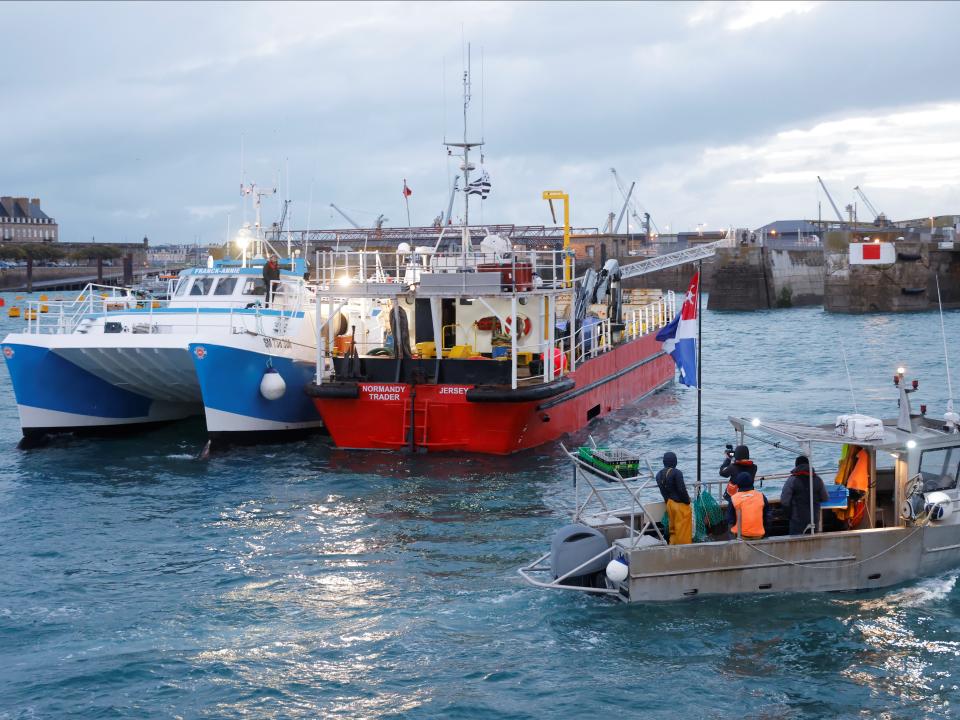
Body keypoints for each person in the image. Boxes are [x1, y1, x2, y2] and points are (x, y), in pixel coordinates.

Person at [781, 455, 829, 535]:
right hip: (814, 519)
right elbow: (825, 498)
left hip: (797, 520)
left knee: (796, 543)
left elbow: (784, 501)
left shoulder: (792, 480)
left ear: (796, 466)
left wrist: (788, 515)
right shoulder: (818, 479)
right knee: (813, 542)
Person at [655, 451, 692, 545]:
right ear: (674, 461)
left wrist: (668, 502)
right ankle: (684, 549)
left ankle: (672, 546)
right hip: (679, 505)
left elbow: (663, 492)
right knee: (683, 530)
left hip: (669, 504)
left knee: (673, 529)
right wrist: (687, 501)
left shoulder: (658, 475)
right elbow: (681, 490)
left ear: (664, 462)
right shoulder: (677, 473)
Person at [727, 471, 769, 540]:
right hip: (759, 535)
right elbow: (767, 517)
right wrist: (765, 533)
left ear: (738, 484)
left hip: (740, 536)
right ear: (752, 482)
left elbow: (730, 520)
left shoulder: (734, 498)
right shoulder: (761, 496)